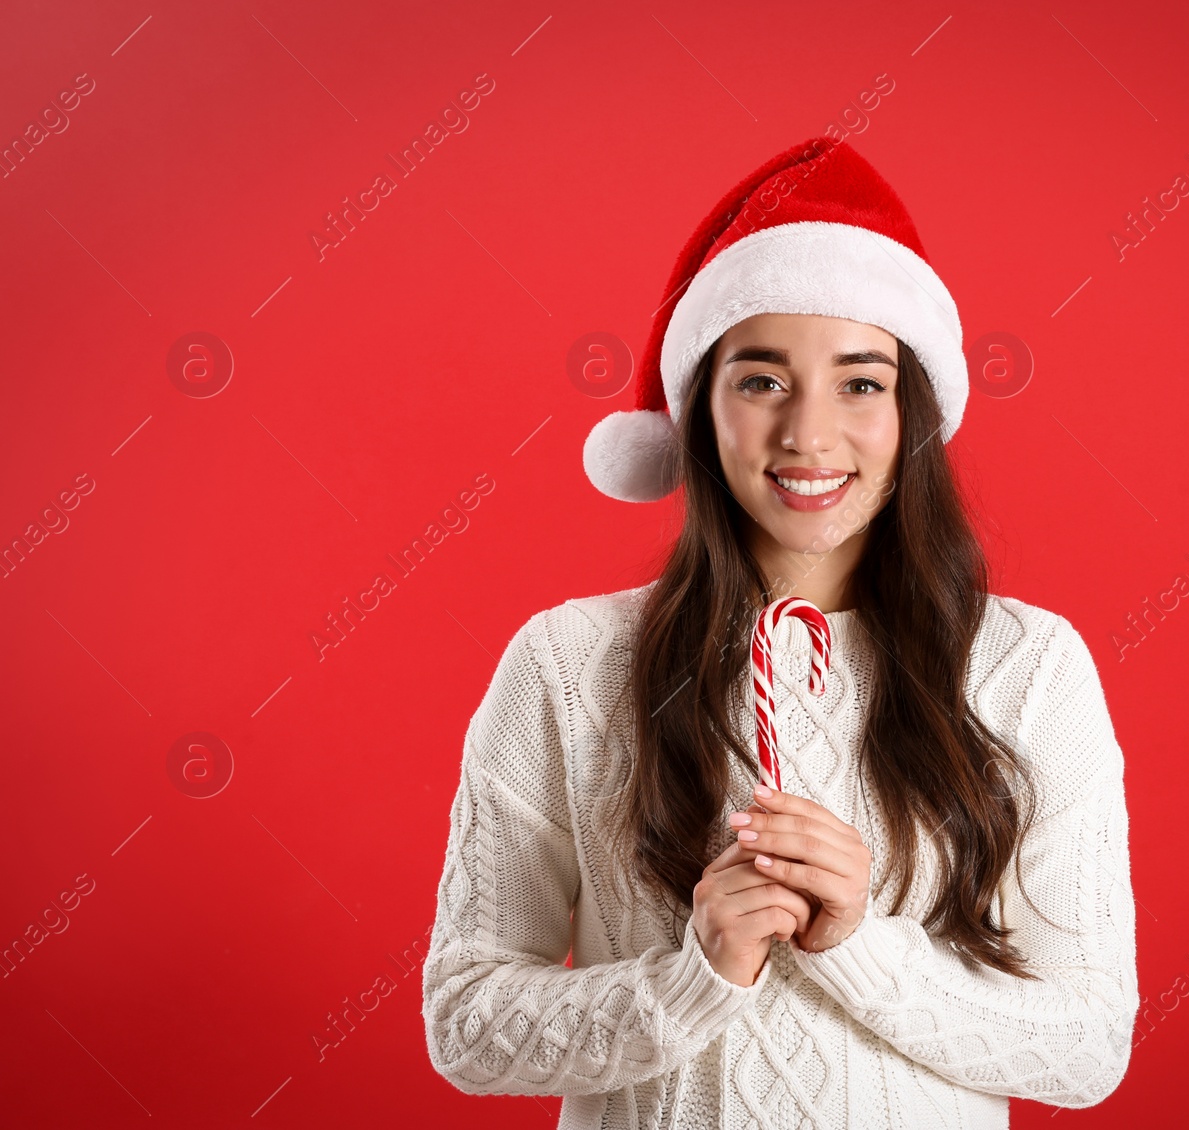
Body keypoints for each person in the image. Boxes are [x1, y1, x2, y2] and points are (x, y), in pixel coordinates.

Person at [421, 136, 1138, 1128]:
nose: (807, 432)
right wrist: (693, 974)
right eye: (761, 380)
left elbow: (1086, 1042)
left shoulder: (1027, 668)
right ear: (700, 406)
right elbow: (465, 1022)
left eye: (860, 381)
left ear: (912, 408)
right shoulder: (568, 664)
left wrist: (858, 943)